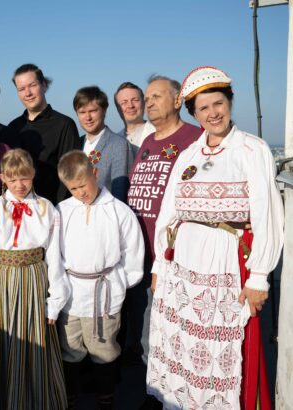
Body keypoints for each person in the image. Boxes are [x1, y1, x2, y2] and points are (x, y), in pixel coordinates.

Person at [147, 66, 284, 409]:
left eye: (218, 103)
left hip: (229, 261)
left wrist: (260, 277)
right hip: (185, 268)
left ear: (230, 102)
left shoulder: (252, 150)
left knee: (229, 352)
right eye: (204, 108)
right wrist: (159, 266)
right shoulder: (188, 156)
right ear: (194, 114)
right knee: (188, 351)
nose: (213, 113)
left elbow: (268, 215)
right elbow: (169, 213)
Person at [0, 148, 70, 410]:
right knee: (7, 344)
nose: (19, 184)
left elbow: (54, 255)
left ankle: (39, 401)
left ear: (34, 176)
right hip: (5, 281)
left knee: (38, 340)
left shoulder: (46, 208)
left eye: (25, 178)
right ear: (3, 178)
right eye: (13, 178)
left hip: (35, 279)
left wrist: (55, 300)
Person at [56, 150, 144, 409]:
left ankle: (106, 401)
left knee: (104, 351)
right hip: (71, 293)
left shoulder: (118, 210)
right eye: (73, 189)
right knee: (69, 348)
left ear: (95, 173)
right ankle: (70, 399)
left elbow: (133, 253)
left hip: (104, 294)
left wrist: (117, 285)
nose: (80, 193)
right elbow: (55, 252)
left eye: (83, 185)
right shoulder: (62, 211)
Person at [124, 75, 202, 368]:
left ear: (178, 99)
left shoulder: (195, 138)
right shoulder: (147, 141)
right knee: (145, 326)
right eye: (147, 98)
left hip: (173, 256)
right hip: (141, 252)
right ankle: (151, 384)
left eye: (157, 96)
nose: (149, 102)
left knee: (169, 328)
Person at [8, 63, 81, 204]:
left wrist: (59, 209)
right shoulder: (12, 127)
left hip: (54, 208)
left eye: (32, 85)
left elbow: (70, 173)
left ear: (44, 85)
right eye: (21, 89)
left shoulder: (64, 124)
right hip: (17, 210)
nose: (27, 93)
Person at [73, 86, 134, 203]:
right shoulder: (76, 144)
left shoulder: (119, 145)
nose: (88, 117)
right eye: (82, 112)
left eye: (93, 111)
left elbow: (120, 193)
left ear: (104, 110)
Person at [114, 81, 155, 153]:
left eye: (135, 100)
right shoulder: (114, 140)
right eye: (124, 102)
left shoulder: (159, 132)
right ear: (118, 108)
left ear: (144, 103)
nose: (130, 106)